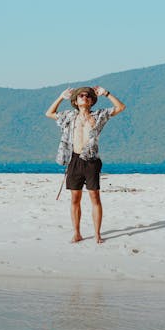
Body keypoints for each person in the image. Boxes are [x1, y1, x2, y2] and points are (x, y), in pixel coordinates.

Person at [45, 85, 126, 243]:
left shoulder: (98, 115)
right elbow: (49, 113)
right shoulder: (69, 116)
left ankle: (97, 234)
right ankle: (77, 233)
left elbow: (120, 107)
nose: (85, 97)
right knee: (75, 198)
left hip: (91, 160)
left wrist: (106, 93)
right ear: (75, 101)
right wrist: (61, 97)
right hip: (73, 159)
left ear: (91, 101)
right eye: (81, 95)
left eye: (88, 96)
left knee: (94, 196)